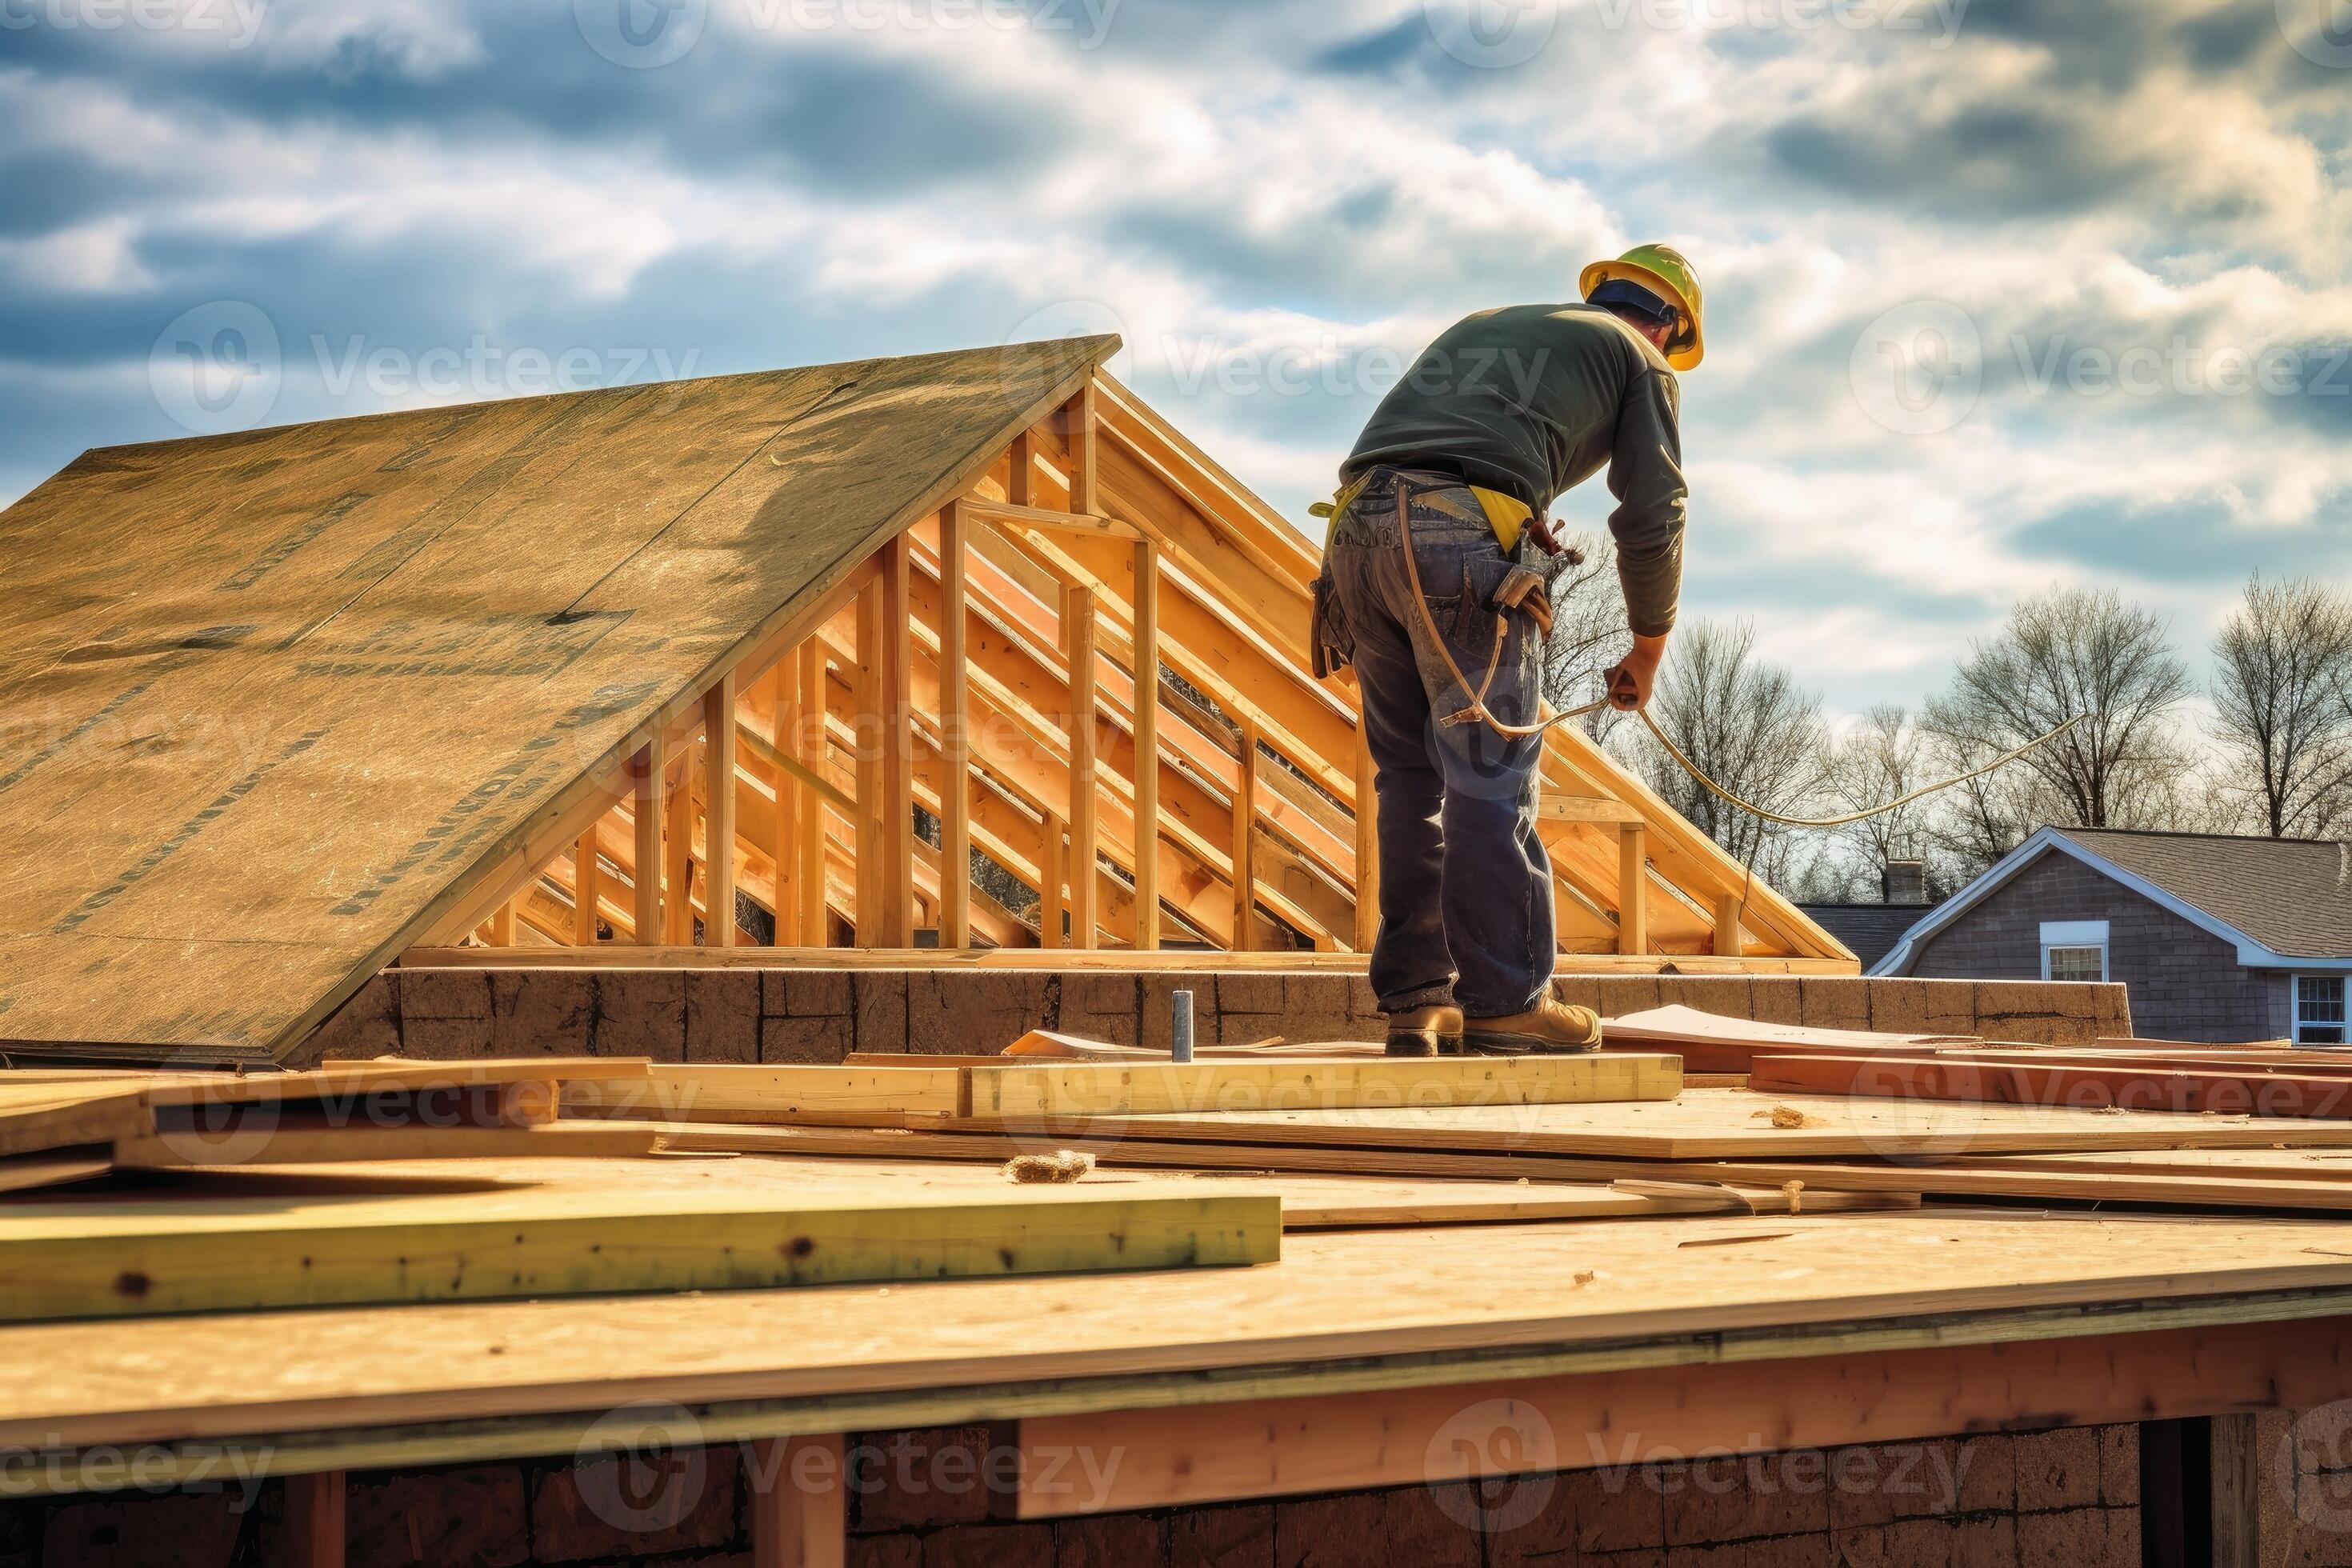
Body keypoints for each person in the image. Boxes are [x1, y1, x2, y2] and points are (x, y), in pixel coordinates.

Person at [1311, 245, 1702, 1056]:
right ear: (1668, 327)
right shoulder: (1640, 360)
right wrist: (1649, 648)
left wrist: (1508, 515)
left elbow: (1446, 449)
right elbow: (1654, 509)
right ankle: (1506, 1000)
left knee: (1411, 779)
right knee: (1489, 776)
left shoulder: (1494, 324)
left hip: (1353, 536)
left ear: (1603, 295)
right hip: (1454, 539)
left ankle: (1419, 1000)